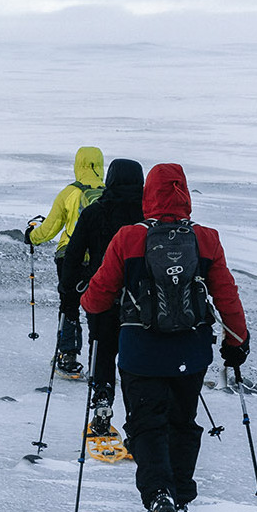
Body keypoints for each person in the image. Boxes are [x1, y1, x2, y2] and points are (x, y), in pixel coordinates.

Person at [79, 163, 250, 512]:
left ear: (148, 195)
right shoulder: (206, 239)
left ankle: (160, 501)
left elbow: (98, 296)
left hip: (141, 351)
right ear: (185, 195)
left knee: (146, 426)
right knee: (182, 424)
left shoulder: (128, 238)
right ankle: (182, 502)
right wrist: (236, 341)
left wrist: (89, 301)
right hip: (191, 352)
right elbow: (226, 295)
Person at [67, 158, 145, 442]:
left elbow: (74, 255)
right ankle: (138, 417)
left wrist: (70, 296)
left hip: (101, 294)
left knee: (102, 347)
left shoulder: (95, 212)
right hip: (142, 302)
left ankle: (102, 397)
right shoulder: (147, 216)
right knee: (135, 358)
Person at [27, 147, 105, 377]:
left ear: (78, 164)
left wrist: (32, 237)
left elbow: (51, 227)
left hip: (70, 256)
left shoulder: (69, 193)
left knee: (69, 305)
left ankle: (68, 354)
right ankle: (99, 359)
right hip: (101, 260)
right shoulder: (109, 193)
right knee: (98, 308)